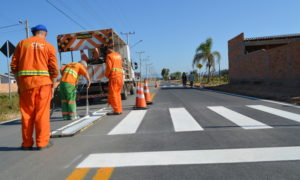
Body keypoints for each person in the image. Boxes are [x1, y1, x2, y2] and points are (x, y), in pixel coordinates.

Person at [11, 24, 59, 150]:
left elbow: (14, 66)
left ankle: (26, 143)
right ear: (45, 34)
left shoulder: (22, 44)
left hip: (26, 84)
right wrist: (53, 85)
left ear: (34, 33)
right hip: (44, 84)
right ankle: (42, 143)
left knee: (27, 114)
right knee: (42, 114)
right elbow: (54, 69)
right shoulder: (48, 46)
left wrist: (19, 83)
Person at [105, 47, 123, 115]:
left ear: (108, 49)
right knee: (118, 94)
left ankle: (116, 110)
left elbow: (109, 67)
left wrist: (106, 75)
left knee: (113, 94)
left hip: (114, 77)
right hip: (120, 77)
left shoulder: (109, 56)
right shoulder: (119, 55)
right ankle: (119, 109)